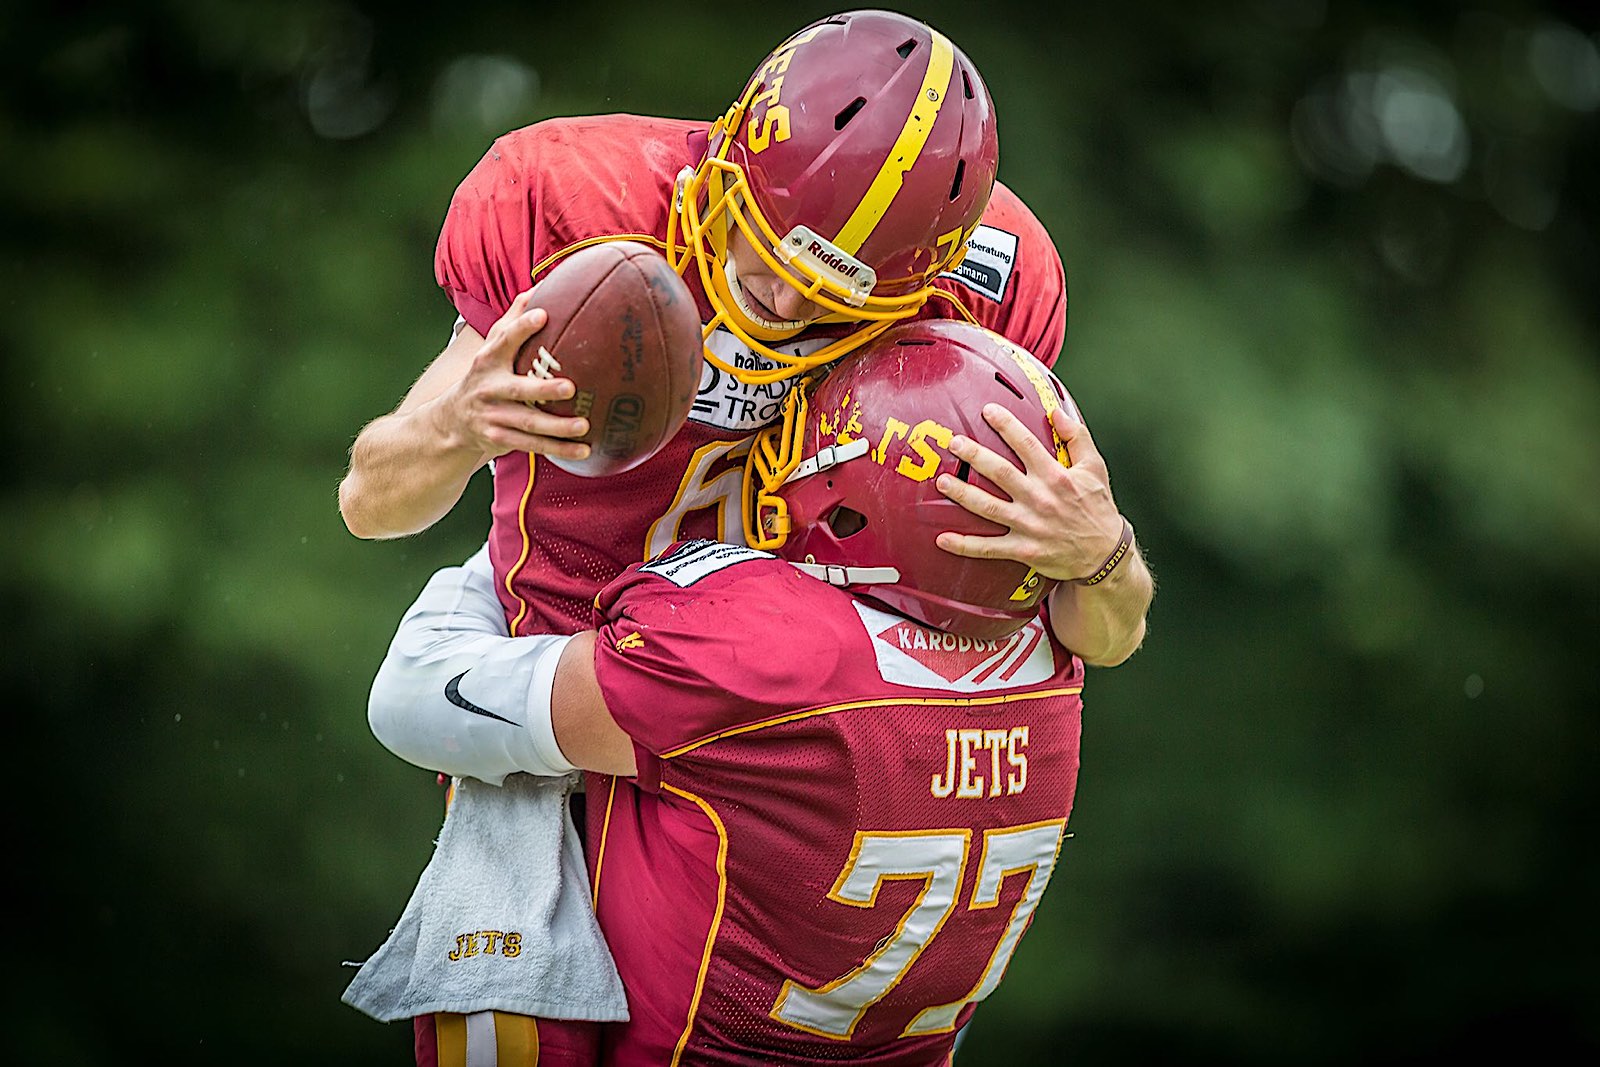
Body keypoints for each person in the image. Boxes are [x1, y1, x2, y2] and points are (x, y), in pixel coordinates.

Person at [362, 319, 1139, 1065]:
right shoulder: (1054, 660)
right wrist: (1106, 553)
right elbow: (1111, 617)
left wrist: (520, 544)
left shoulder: (762, 662)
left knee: (508, 825)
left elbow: (414, 695)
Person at [333, 8, 1147, 665]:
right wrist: (459, 424)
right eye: (765, 243)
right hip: (579, 680)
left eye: (835, 299)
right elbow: (369, 504)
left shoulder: (981, 290)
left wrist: (1103, 553)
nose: (785, 299)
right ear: (730, 158)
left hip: (806, 735)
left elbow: (1104, 638)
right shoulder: (582, 207)